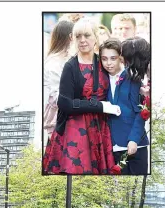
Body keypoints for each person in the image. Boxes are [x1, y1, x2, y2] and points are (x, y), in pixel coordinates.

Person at [43, 17, 120, 175]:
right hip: (74, 129)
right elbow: (65, 103)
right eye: (78, 36)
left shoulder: (103, 63)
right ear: (73, 39)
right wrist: (101, 106)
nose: (83, 40)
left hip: (100, 129)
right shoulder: (70, 66)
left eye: (87, 35)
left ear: (95, 38)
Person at [100, 37, 150, 175]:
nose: (109, 63)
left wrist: (133, 139)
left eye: (113, 58)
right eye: (104, 59)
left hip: (134, 145)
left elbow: (141, 112)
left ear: (120, 58)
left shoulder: (132, 77)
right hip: (111, 146)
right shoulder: (100, 78)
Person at [43, 20, 75, 137]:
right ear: (70, 37)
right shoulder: (54, 62)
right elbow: (58, 97)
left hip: (65, 119)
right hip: (57, 122)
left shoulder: (67, 58)